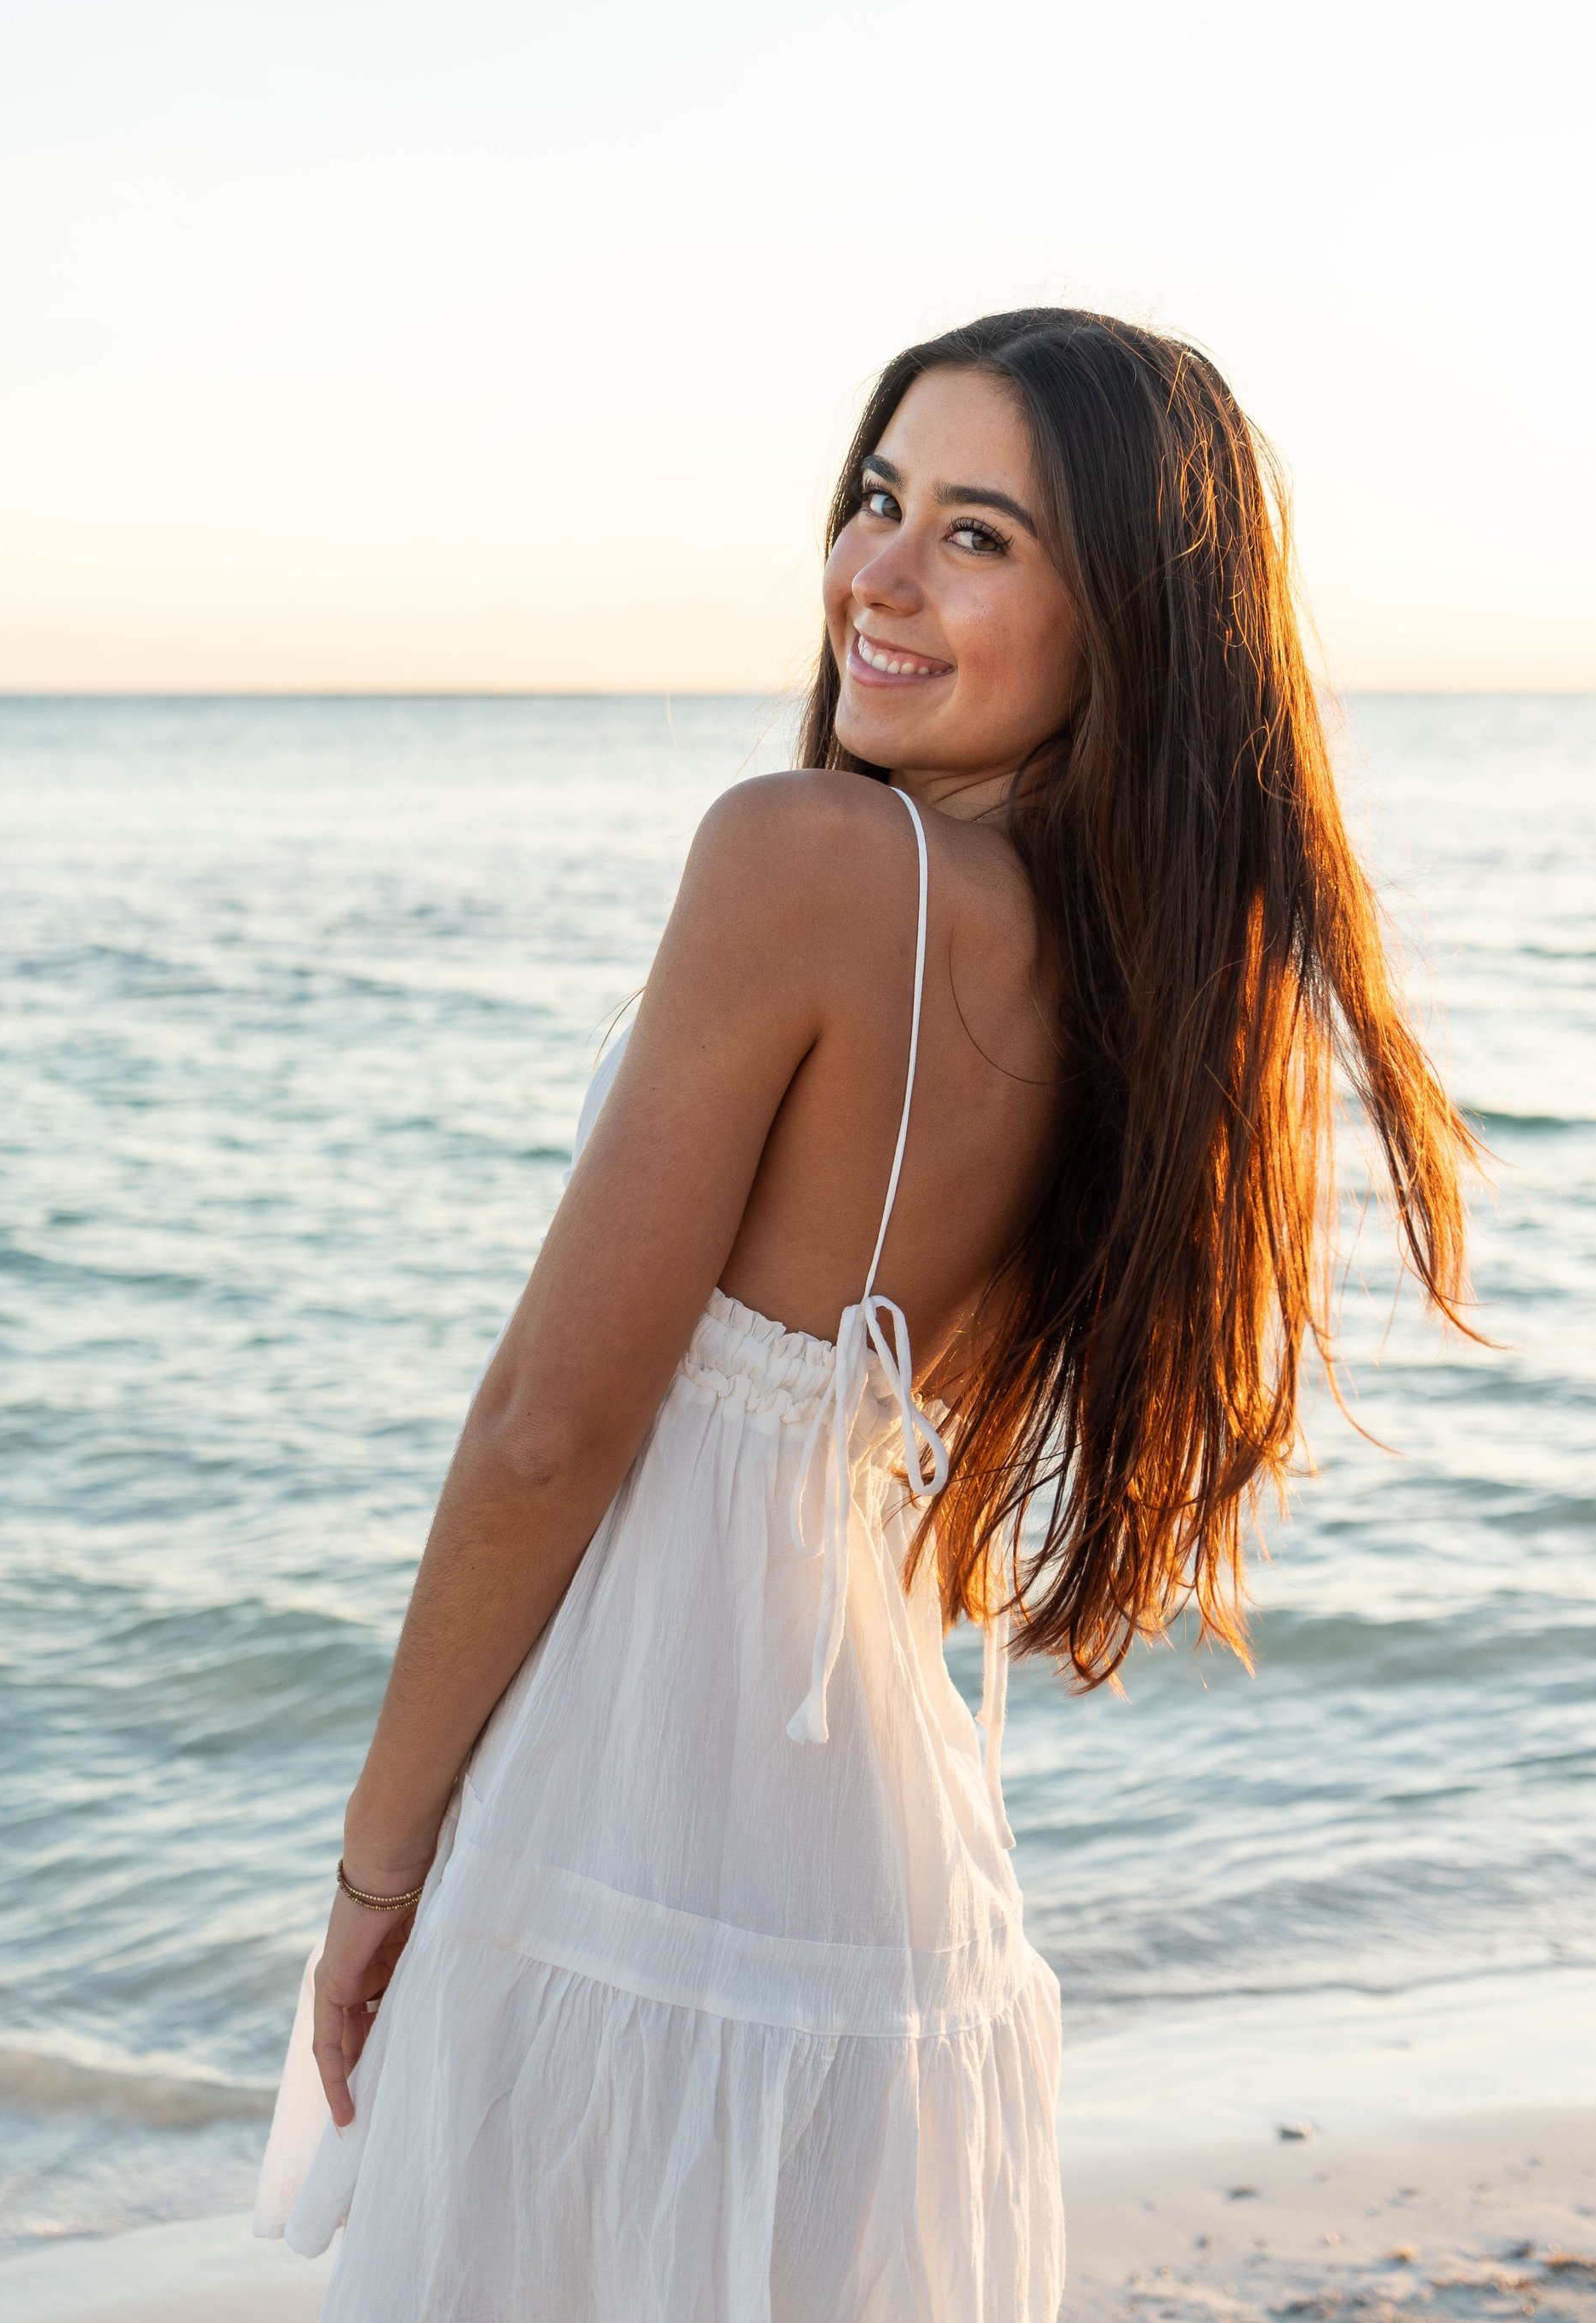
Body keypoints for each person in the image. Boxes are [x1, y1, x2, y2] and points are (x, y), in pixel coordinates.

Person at [254, 307, 1474, 2320]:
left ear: (1127, 620)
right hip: (894, 1894)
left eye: (977, 537)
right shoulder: (1152, 995)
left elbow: (549, 1431)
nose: (874, 579)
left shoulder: (804, 856)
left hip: (630, 1843)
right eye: (877, 501)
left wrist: (374, 1877)